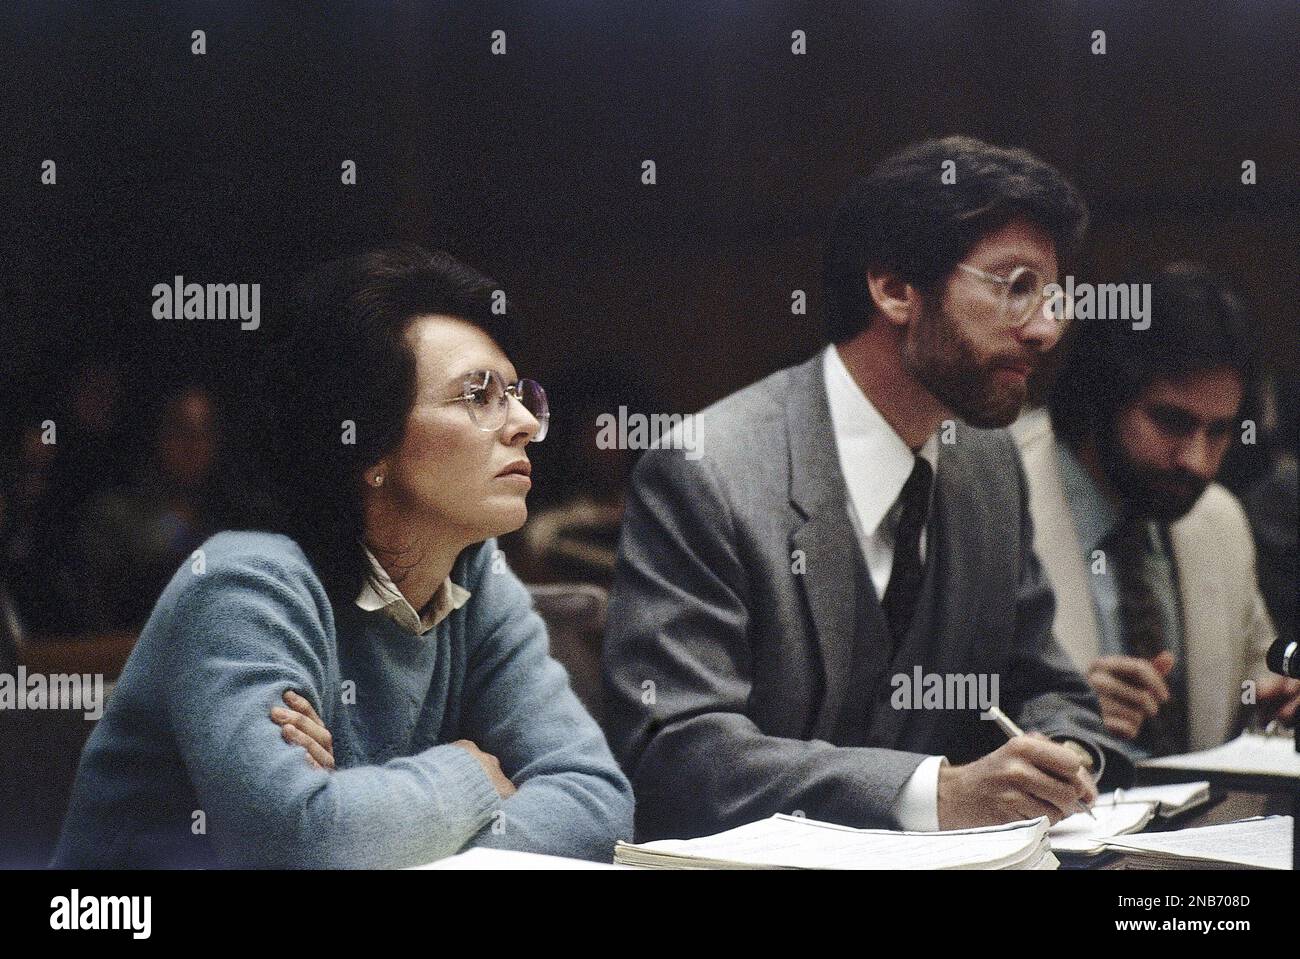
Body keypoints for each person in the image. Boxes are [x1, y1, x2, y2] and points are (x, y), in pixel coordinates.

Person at [603, 135, 1132, 843]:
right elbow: (678, 748)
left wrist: (1062, 758)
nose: (1047, 327)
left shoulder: (988, 465)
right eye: (1016, 287)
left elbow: (1043, 685)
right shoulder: (708, 469)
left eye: (1054, 294)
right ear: (893, 289)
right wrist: (933, 793)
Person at [51, 246, 633, 868]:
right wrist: (469, 773)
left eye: (519, 394)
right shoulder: (241, 586)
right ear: (369, 449)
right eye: (480, 395)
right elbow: (296, 843)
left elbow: (597, 804)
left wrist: (367, 823)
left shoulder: (475, 573)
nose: (523, 422)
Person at [1015, 265, 1296, 755]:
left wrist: (1276, 702)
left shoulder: (1217, 520)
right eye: (1171, 422)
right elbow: (929, 722)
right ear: (1101, 399)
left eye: (1219, 431)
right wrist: (1059, 715)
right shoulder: (993, 502)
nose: (1196, 460)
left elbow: (1255, 680)